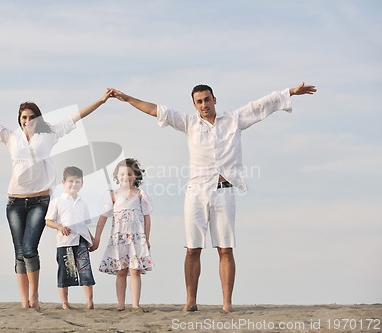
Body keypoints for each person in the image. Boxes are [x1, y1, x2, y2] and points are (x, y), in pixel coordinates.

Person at [111, 82, 317, 313]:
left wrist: (289, 92)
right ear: (194, 105)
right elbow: (156, 110)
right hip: (196, 192)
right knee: (192, 248)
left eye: (207, 99)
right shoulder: (189, 123)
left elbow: (262, 105)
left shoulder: (234, 119)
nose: (204, 104)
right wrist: (127, 98)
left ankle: (227, 304)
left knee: (226, 248)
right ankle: (190, 300)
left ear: (214, 100)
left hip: (224, 191)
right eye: (199, 101)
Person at [0, 89, 113, 311]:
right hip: (14, 202)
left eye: (32, 117)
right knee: (19, 253)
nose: (28, 120)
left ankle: (34, 296)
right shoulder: (11, 137)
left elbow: (75, 117)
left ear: (38, 119)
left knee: (29, 249)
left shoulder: (49, 136)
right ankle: (24, 300)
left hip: (39, 201)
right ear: (20, 120)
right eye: (24, 117)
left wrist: (100, 101)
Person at [90, 158, 153, 312]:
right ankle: (120, 304)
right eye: (123, 174)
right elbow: (103, 218)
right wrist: (97, 238)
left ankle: (135, 304)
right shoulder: (112, 195)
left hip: (136, 239)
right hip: (119, 239)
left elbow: (147, 218)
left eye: (130, 174)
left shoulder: (140, 195)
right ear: (117, 176)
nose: (126, 177)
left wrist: (147, 238)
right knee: (121, 270)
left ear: (136, 176)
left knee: (135, 270)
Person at [45, 166, 95, 310]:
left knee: (85, 270)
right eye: (71, 182)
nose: (74, 185)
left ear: (82, 184)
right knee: (65, 271)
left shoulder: (82, 202)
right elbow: (48, 221)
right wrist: (60, 227)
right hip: (64, 242)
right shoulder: (57, 201)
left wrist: (92, 240)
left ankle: (89, 302)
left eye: (77, 182)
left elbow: (84, 225)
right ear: (63, 182)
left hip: (82, 241)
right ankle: (65, 303)